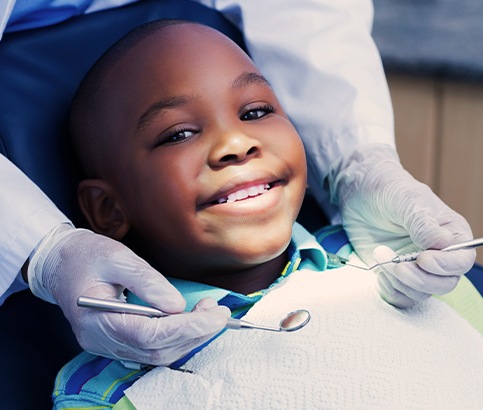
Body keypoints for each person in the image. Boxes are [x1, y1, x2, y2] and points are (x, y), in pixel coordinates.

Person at [0, 0, 476, 368]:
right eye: (179, 134)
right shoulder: (108, 383)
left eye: (256, 112)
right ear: (107, 209)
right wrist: (41, 251)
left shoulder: (412, 273)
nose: (235, 142)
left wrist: (359, 160)